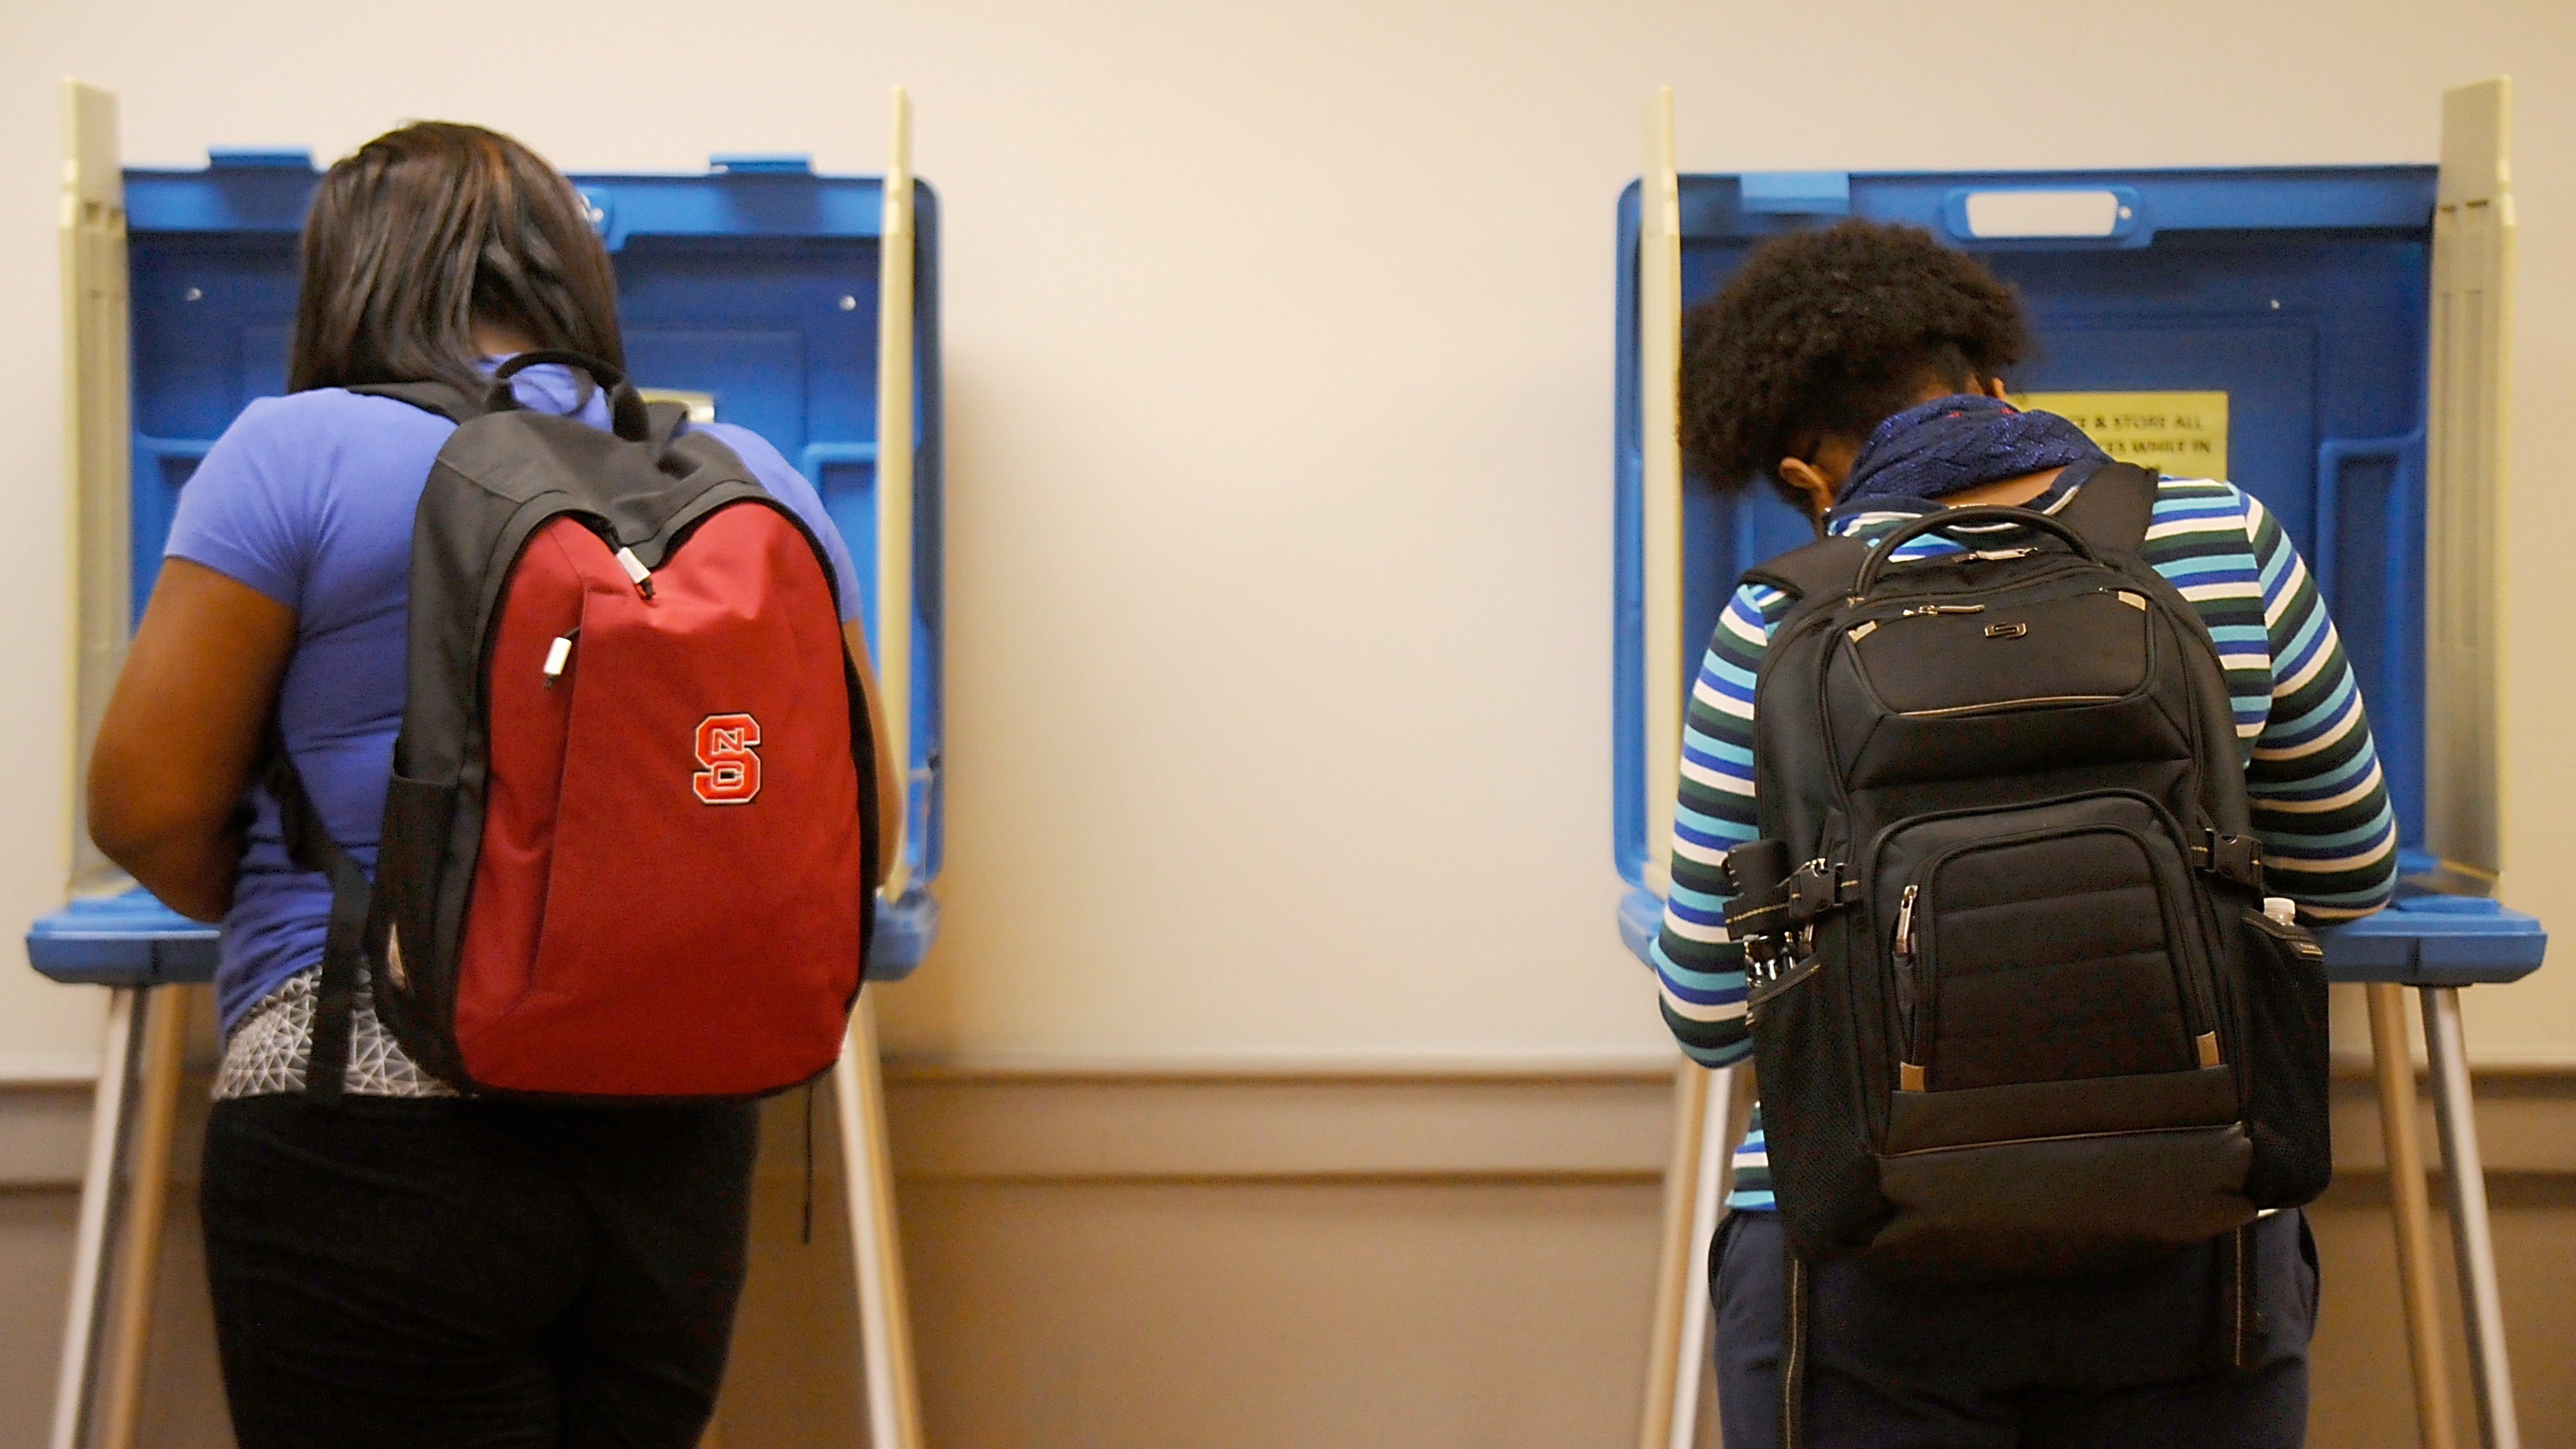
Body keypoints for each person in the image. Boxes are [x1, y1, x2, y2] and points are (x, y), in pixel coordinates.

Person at [85, 122, 900, 1448]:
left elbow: (145, 807)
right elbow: (863, 835)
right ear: (574, 274)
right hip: (677, 1131)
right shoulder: (749, 478)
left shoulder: (289, 452)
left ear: (351, 275)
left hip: (366, 1102)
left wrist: (349, 899)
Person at [1650, 218, 2398, 1448]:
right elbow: (2348, 870)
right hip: (2192, 1223)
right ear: (1994, 380)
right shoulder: (2225, 539)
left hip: (1859, 1243)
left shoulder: (1774, 621)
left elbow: (1707, 1007)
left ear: (1803, 475)